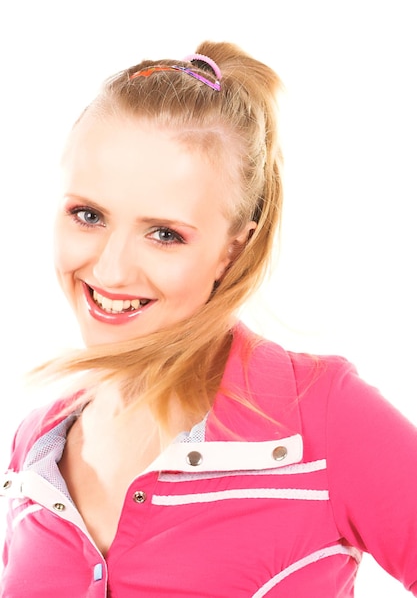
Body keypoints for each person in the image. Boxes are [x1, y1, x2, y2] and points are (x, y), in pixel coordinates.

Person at [1, 40, 416, 598]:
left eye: (164, 233)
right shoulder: (36, 445)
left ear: (233, 251)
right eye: (88, 215)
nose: (111, 268)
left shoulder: (323, 417)